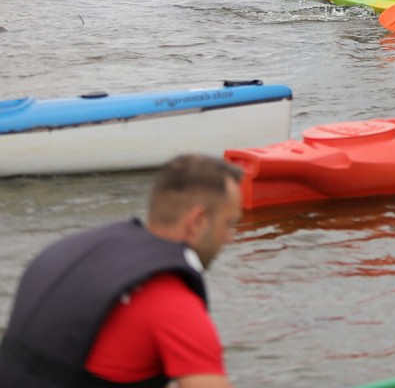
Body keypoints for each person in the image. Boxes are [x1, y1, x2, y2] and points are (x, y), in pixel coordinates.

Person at [0, 154, 243, 388]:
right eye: (228, 224)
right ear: (197, 221)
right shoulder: (172, 303)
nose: (229, 238)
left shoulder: (65, 251)